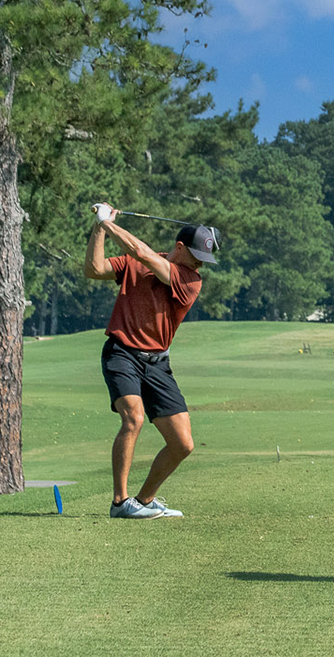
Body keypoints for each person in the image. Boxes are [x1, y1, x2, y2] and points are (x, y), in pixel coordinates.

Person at [85, 203, 219, 519]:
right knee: (133, 418)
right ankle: (120, 503)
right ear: (179, 247)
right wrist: (98, 228)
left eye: (205, 259)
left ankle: (144, 500)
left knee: (182, 443)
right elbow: (94, 269)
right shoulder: (137, 262)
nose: (200, 263)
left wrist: (107, 223)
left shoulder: (190, 280)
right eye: (197, 255)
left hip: (157, 364)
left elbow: (142, 253)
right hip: (122, 354)